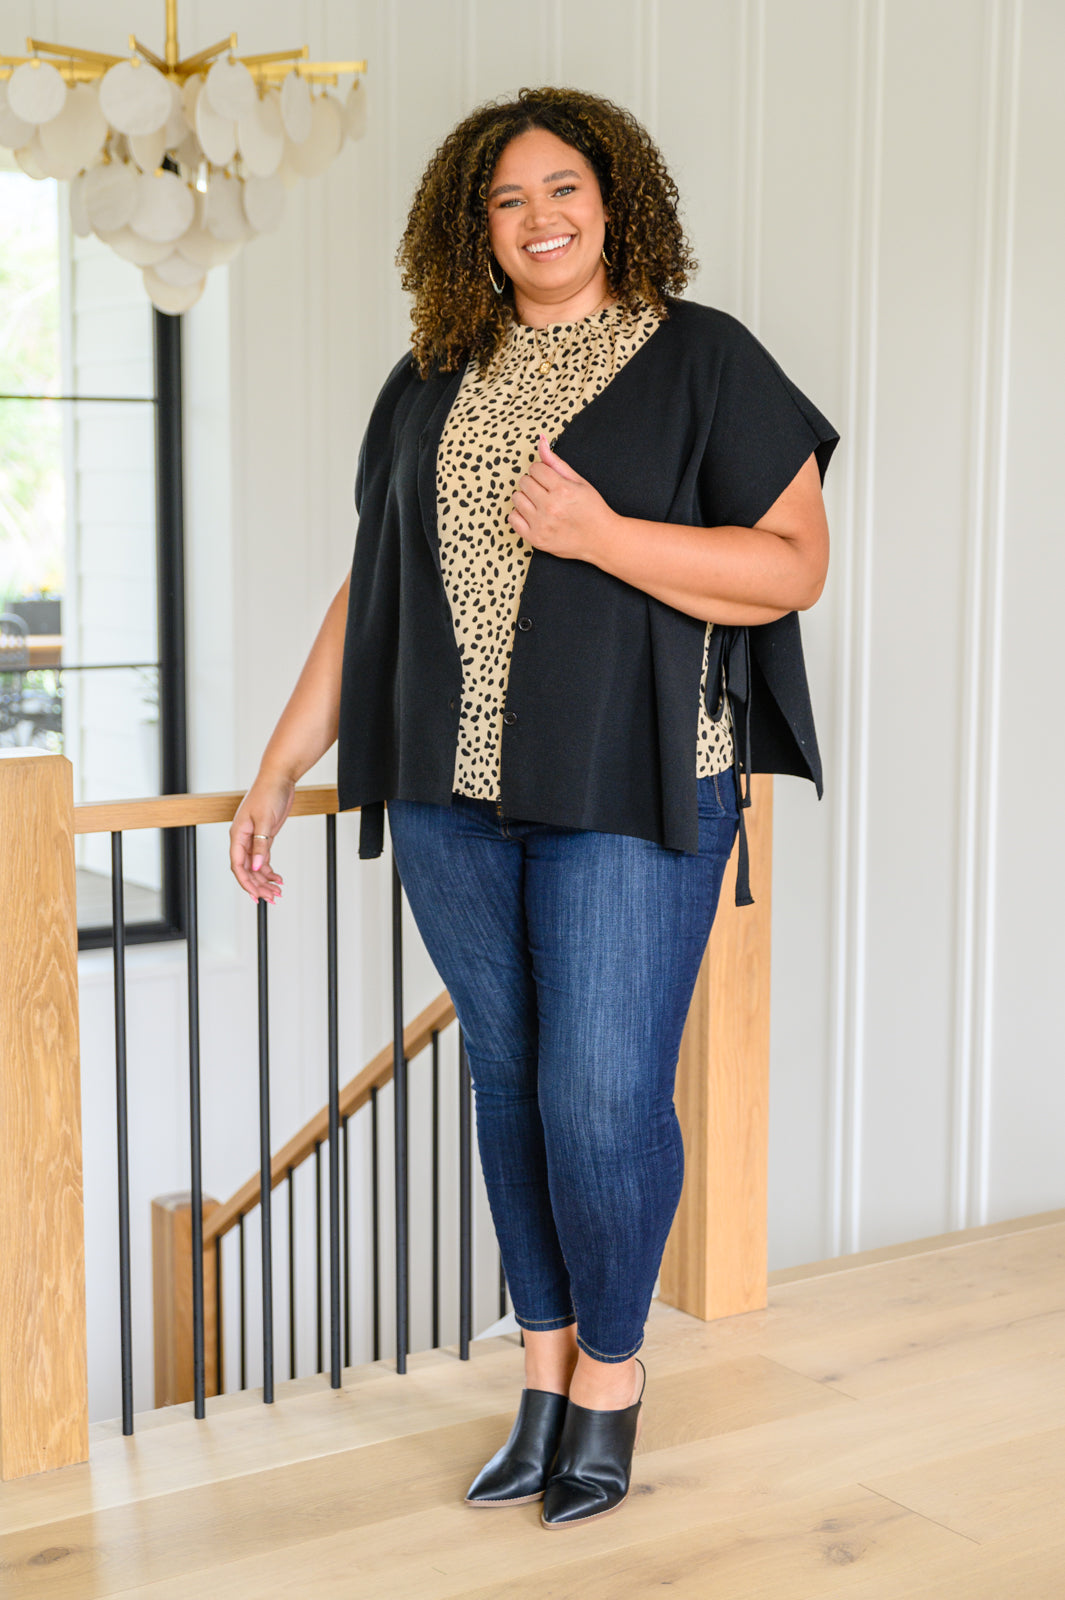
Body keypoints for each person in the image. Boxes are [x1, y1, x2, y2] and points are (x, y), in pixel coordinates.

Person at [230, 87, 838, 1529]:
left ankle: (612, 1378)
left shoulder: (702, 357)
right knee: (508, 1079)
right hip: (450, 791)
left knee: (599, 1095)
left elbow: (790, 568)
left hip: (631, 778)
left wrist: (601, 534)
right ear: (475, 228)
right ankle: (544, 1374)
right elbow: (373, 584)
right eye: (506, 199)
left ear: (614, 199)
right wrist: (281, 764)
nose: (539, 218)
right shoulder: (430, 377)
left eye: (563, 187)